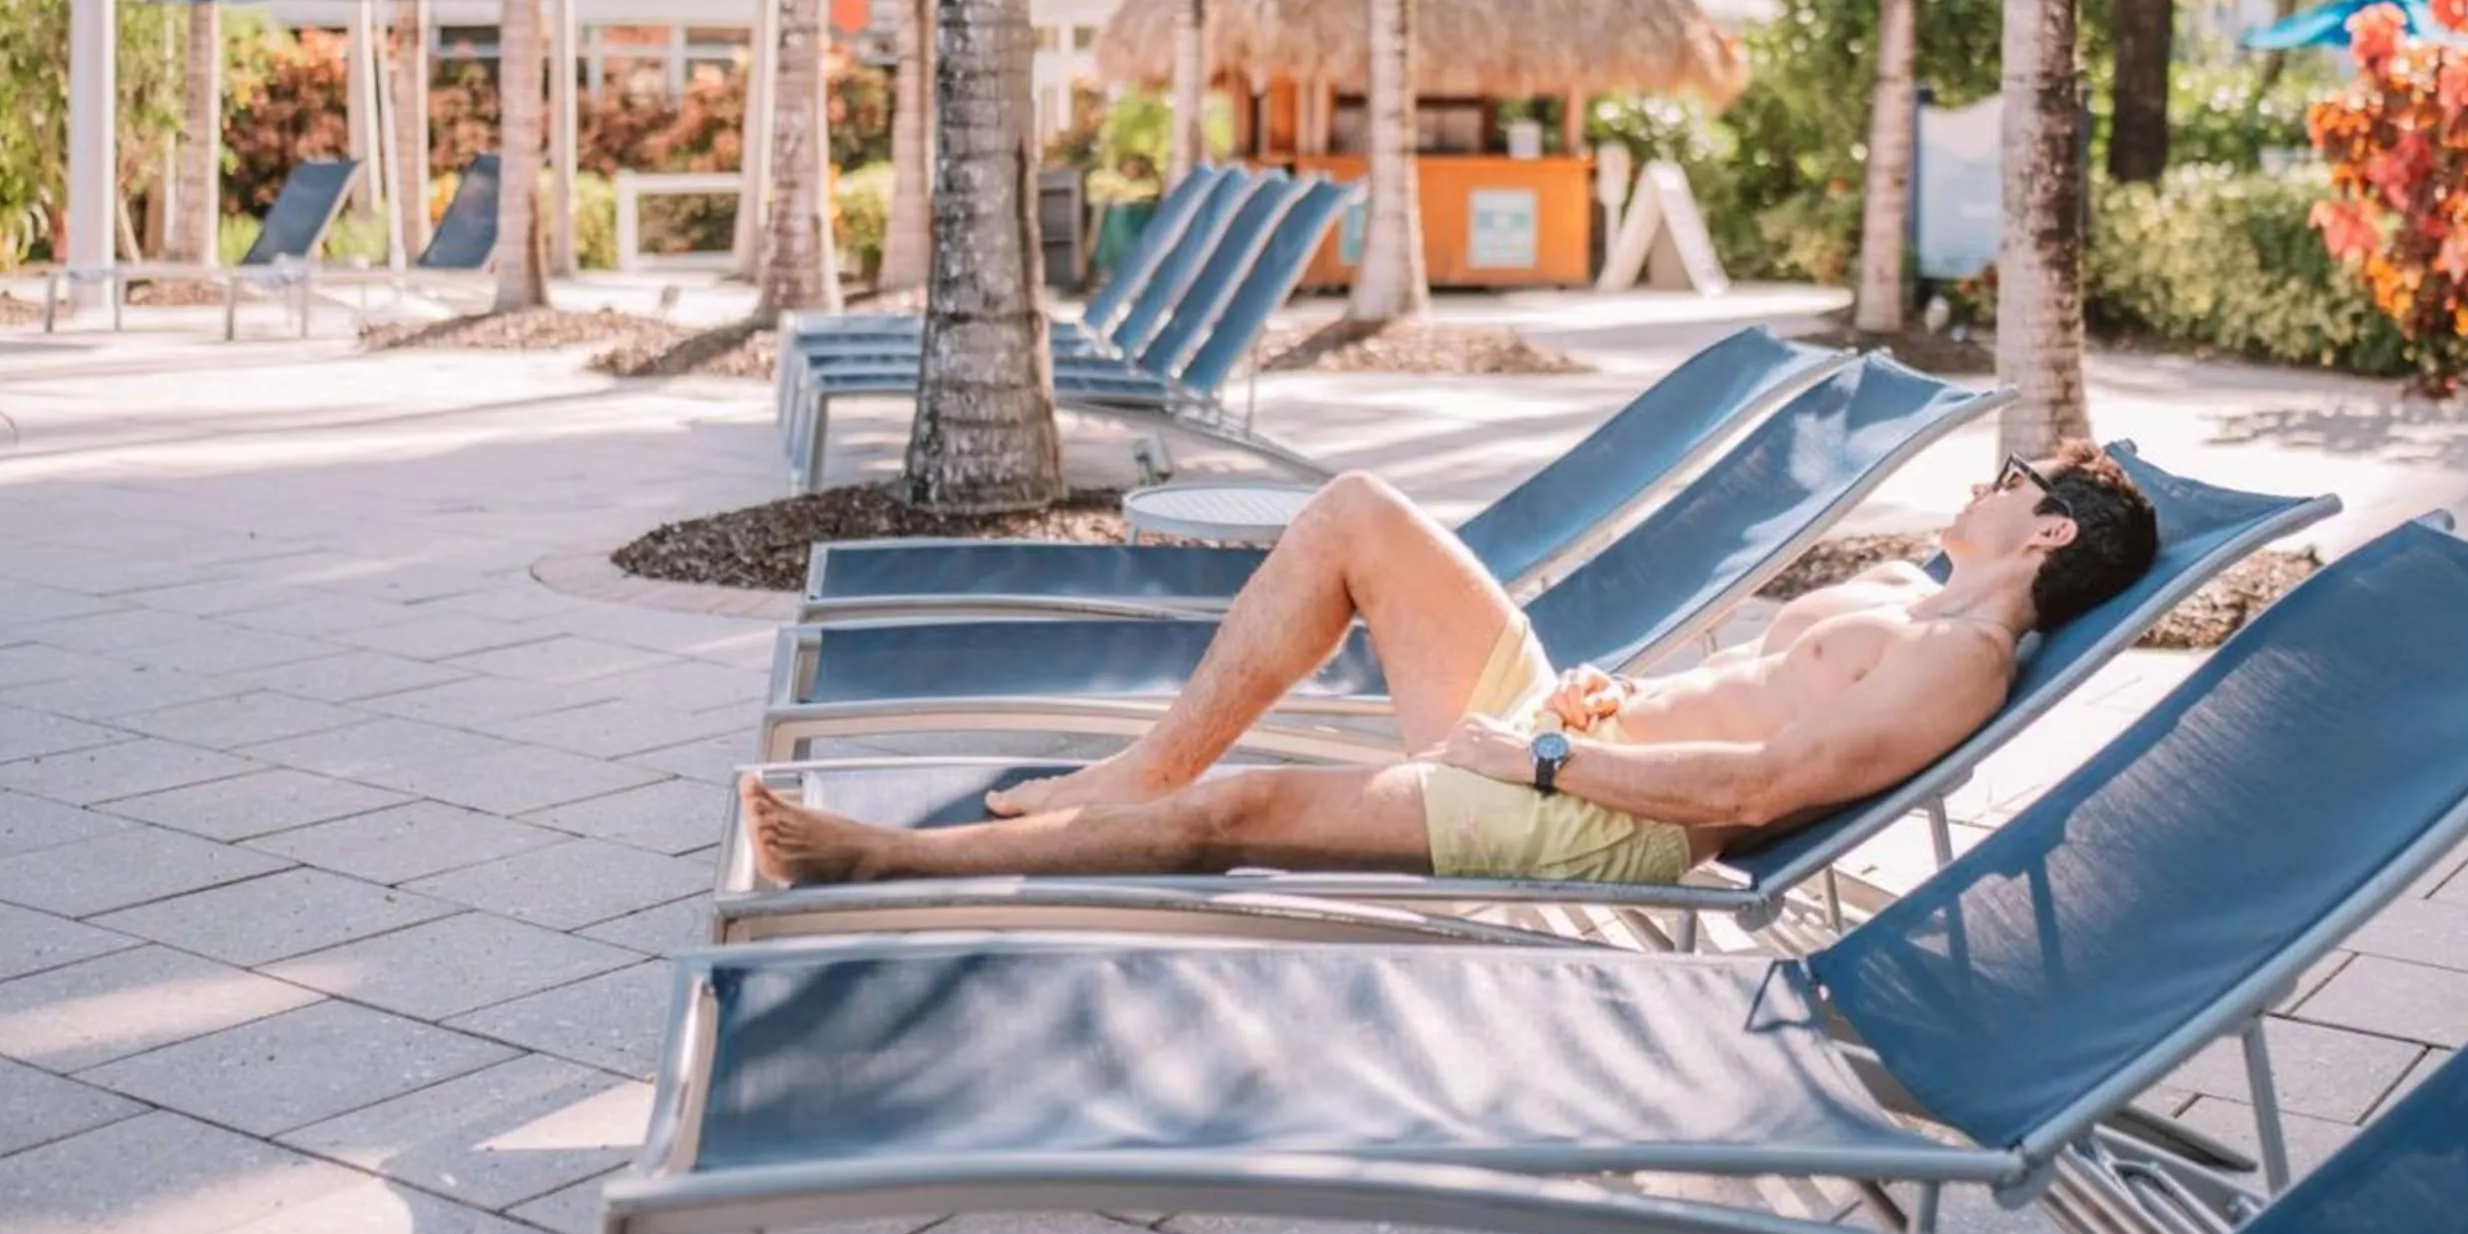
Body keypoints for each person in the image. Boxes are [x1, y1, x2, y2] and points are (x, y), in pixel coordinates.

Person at [742, 442, 2160, 889]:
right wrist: (1600, 699)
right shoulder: (1904, 590)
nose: (1987, 481)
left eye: (2013, 479)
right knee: (1357, 511)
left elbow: (1762, 787)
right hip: (1574, 738)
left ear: (2046, 530)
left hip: (1603, 810)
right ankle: (1144, 764)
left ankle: (885, 862)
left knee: (1247, 813)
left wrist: (1545, 755)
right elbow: (1735, 696)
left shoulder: (1964, 659)